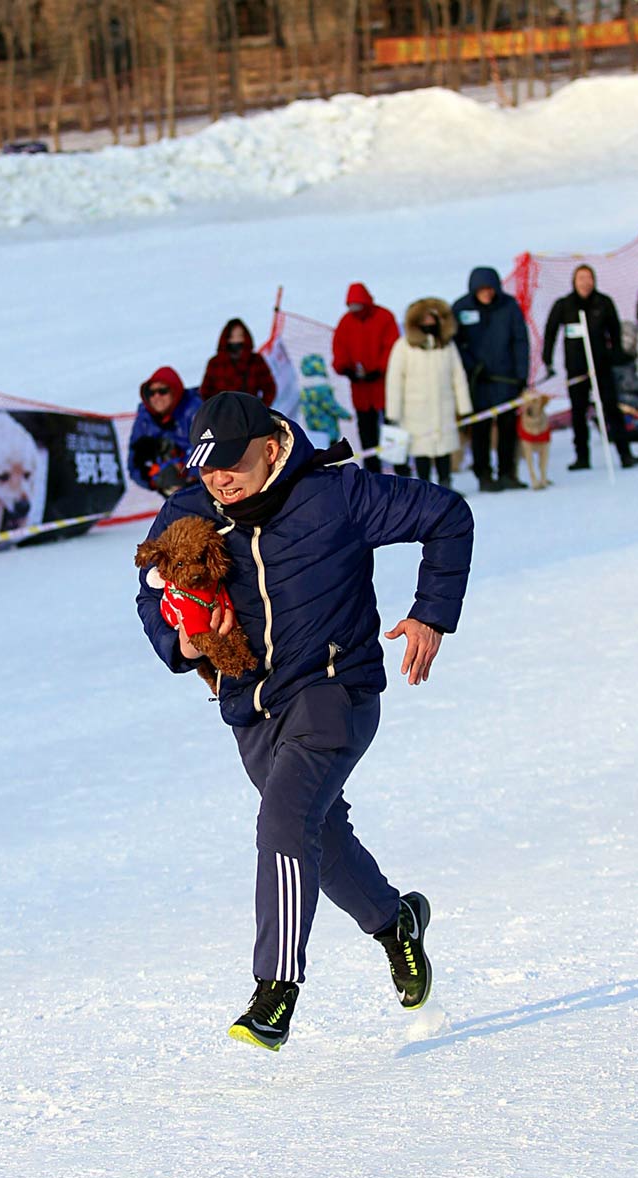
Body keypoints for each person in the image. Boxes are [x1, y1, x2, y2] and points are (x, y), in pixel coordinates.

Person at [136, 390, 474, 1051]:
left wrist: (431, 612)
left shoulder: (335, 495)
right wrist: (186, 642)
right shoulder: (189, 512)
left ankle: (275, 991)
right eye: (207, 467)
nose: (218, 480)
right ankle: (395, 923)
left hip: (335, 689)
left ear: (270, 449)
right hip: (249, 705)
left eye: (231, 464)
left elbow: (447, 515)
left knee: (284, 822)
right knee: (314, 835)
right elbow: (153, 593)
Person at [542, 264, 637, 471]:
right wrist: (547, 359)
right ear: (574, 281)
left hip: (601, 367)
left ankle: (625, 454)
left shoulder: (603, 303)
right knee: (578, 412)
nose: (585, 283)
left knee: (612, 408)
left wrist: (616, 356)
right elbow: (550, 332)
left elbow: (615, 331)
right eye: (581, 279)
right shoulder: (564, 305)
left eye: (588, 278)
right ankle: (582, 457)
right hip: (576, 369)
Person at [452, 266, 530, 492]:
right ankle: (484, 475)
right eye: (482, 289)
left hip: (506, 380)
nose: (487, 293)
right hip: (477, 382)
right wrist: (472, 366)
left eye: (490, 288)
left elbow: (520, 340)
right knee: (480, 430)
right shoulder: (461, 308)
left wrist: (521, 375)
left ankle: (507, 473)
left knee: (507, 428)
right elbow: (456, 344)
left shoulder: (509, 306)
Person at [385, 298, 473, 489]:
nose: (429, 322)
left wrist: (464, 406)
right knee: (421, 451)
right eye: (424, 318)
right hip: (415, 409)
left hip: (443, 407)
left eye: (432, 317)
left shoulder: (447, 345)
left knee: (444, 449)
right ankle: (425, 488)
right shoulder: (403, 346)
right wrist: (393, 412)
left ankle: (446, 485)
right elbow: (394, 381)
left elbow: (458, 376)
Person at [331, 283, 399, 473]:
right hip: (361, 389)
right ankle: (372, 469)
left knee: (392, 425)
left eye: (358, 305)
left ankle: (400, 466)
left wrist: (380, 369)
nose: (355, 309)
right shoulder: (346, 322)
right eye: (352, 305)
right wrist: (346, 369)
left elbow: (391, 346)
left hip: (385, 385)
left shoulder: (384, 317)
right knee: (366, 429)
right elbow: (339, 348)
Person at [127, 366, 202, 496]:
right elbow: (134, 464)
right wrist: (154, 480)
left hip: (204, 482)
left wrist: (185, 471)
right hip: (173, 491)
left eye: (163, 391)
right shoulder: (145, 420)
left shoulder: (194, 409)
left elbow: (210, 448)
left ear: (175, 391)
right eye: (151, 393)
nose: (157, 397)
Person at [200, 319, 276, 407]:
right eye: (232, 336)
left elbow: (269, 388)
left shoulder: (256, 360)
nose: (236, 340)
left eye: (240, 336)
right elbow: (205, 392)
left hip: (250, 411)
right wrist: (216, 409)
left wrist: (261, 408)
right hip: (224, 412)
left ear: (246, 337)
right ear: (226, 338)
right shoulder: (215, 363)